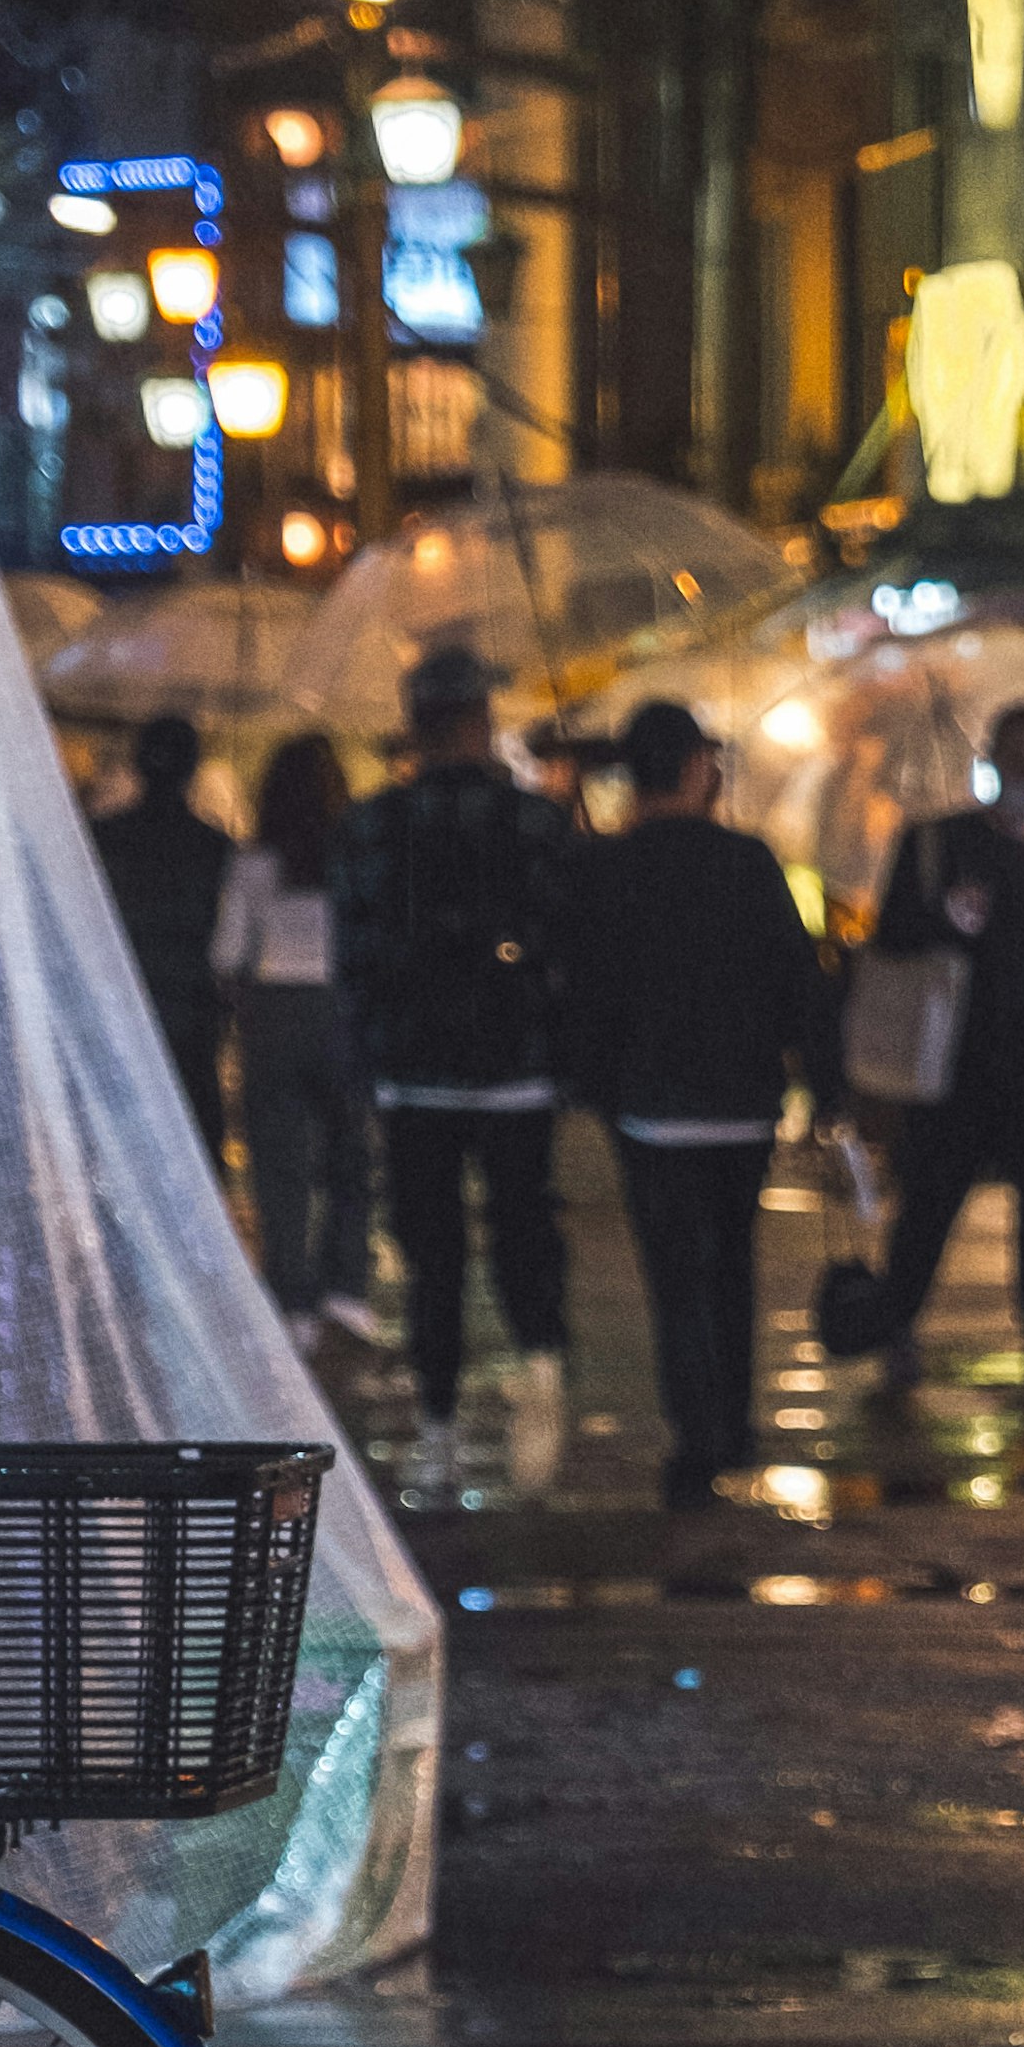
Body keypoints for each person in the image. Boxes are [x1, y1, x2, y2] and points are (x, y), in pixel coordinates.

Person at [333, 639, 580, 1510]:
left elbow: (352, 958)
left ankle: (436, 1434)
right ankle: (542, 1374)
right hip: (517, 1067)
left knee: (431, 1255)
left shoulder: (372, 825)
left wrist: (372, 1054)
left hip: (415, 1072)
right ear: (482, 721)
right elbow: (569, 943)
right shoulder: (538, 822)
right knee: (524, 1231)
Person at [571, 695, 831, 1508]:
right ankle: (734, 1415)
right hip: (743, 1102)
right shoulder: (749, 863)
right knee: (733, 1261)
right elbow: (800, 980)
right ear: (691, 767)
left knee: (675, 1272)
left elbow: (587, 998)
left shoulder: (607, 870)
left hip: (652, 1108)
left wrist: (599, 1088)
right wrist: (822, 1082)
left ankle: (698, 1427)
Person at [866, 697, 1024, 1399]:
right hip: (952, 1060)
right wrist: (944, 918)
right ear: (992, 760)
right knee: (930, 1199)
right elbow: (890, 936)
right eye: (1021, 761)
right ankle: (895, 1327)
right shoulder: (941, 843)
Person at [213, 734, 376, 1345]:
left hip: (275, 1010)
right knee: (350, 1155)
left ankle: (292, 1300)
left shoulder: (254, 863)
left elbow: (228, 954)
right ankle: (347, 1289)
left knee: (280, 1165)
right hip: (343, 1006)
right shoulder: (355, 856)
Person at [94, 712, 231, 1142]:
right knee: (194, 1133)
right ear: (193, 769)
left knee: (120, 1138)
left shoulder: (102, 839)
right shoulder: (214, 847)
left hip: (118, 1003)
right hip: (191, 1010)